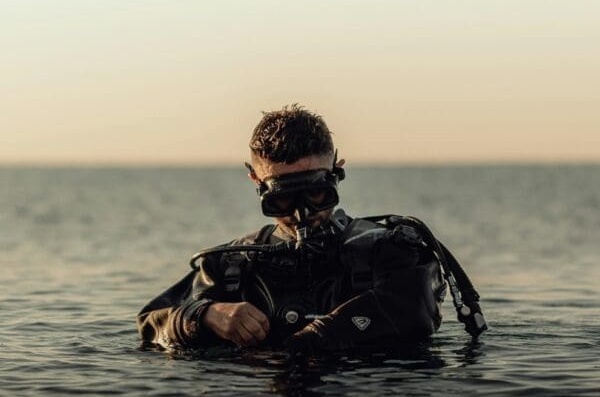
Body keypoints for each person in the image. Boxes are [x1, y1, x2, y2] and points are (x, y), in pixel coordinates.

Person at [137, 105, 486, 354]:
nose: (303, 214)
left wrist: (309, 342)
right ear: (256, 182)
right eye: (284, 200)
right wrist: (207, 315)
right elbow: (151, 323)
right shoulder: (230, 266)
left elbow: (414, 311)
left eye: (316, 194)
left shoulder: (391, 251)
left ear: (338, 170)